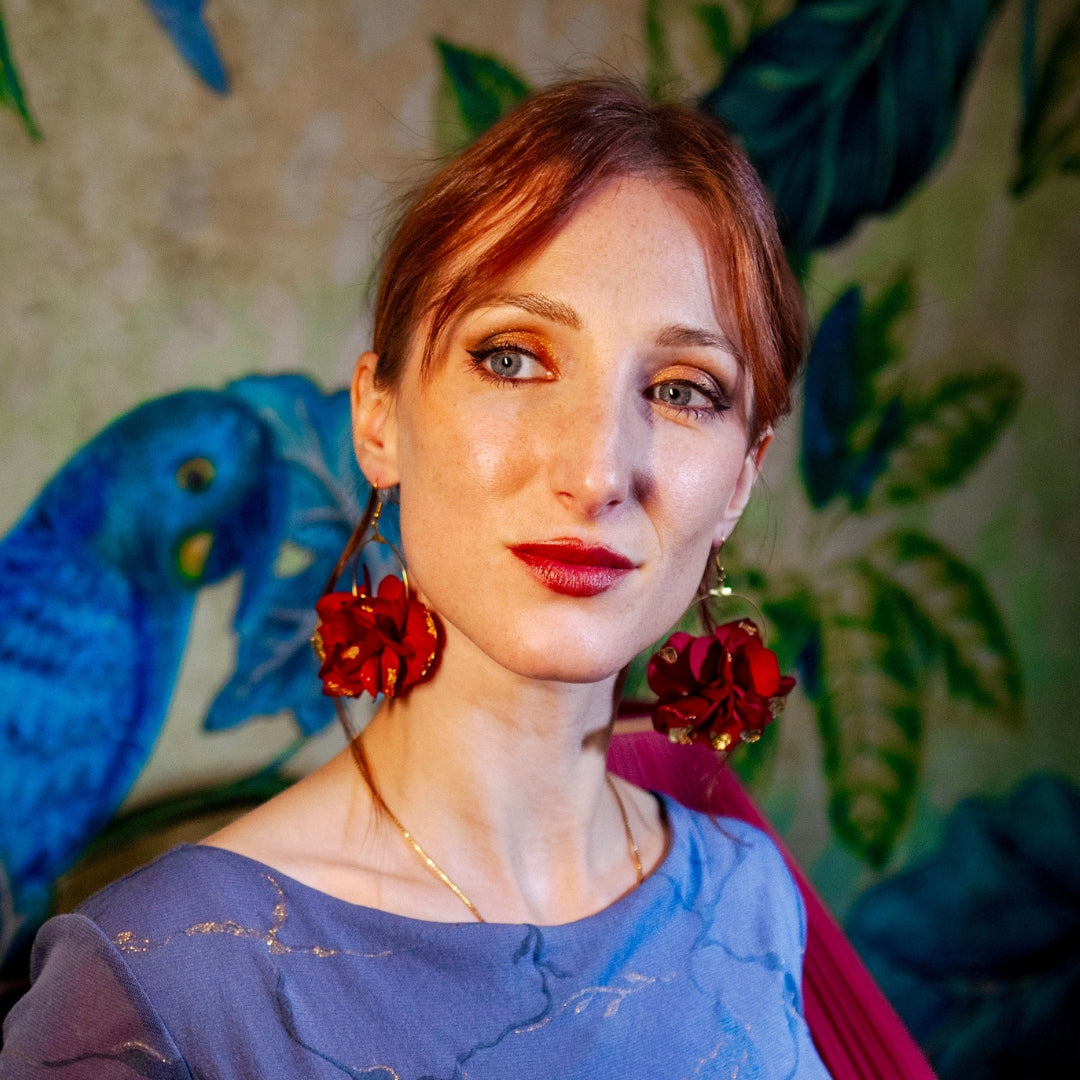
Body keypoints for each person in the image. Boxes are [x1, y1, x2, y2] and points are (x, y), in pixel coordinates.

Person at [1, 78, 829, 1078]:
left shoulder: (751, 898)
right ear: (379, 420)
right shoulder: (157, 991)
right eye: (513, 358)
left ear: (740, 479)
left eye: (683, 389)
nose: (598, 471)